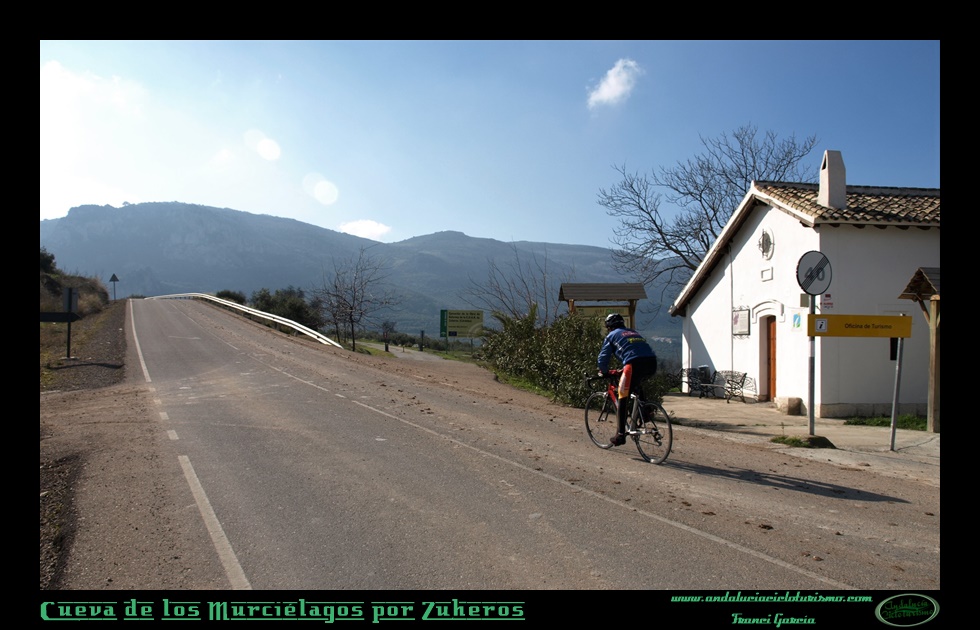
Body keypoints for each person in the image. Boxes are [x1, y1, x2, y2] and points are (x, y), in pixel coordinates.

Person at [597, 313, 658, 446]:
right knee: (636, 384)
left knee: (622, 395)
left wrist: (604, 371)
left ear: (609, 327)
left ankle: (620, 435)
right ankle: (646, 412)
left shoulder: (611, 336)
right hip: (652, 363)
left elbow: (603, 358)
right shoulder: (633, 332)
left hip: (634, 364)